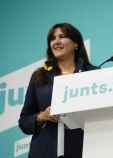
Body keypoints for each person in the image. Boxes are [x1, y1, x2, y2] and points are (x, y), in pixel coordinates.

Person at [18, 23, 98, 158]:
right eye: (52, 38)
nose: (56, 41)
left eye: (62, 36)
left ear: (76, 44)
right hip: (45, 151)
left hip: (84, 149)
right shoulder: (39, 76)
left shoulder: (92, 74)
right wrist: (42, 116)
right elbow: (24, 122)